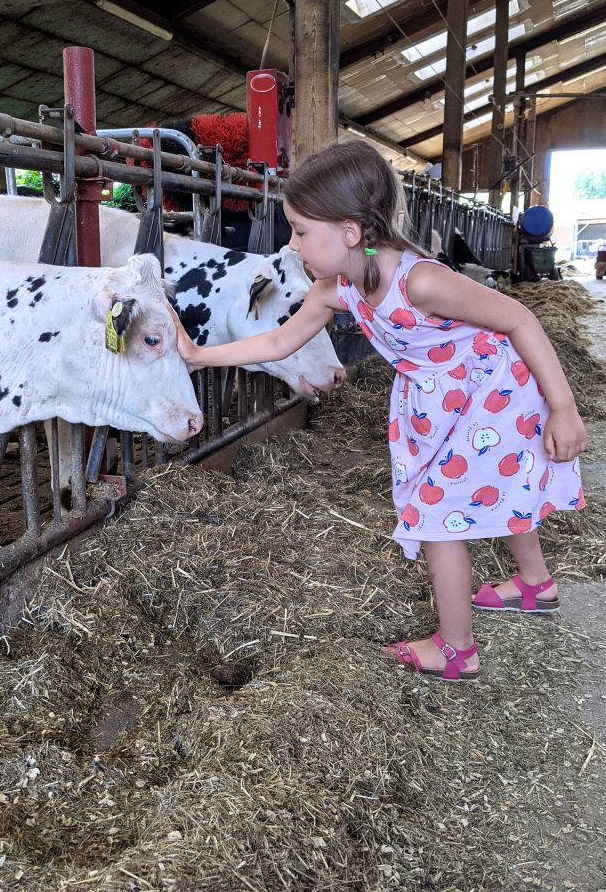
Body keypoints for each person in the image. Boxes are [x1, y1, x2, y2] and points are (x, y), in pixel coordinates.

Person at [172, 140, 588, 682]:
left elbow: (519, 319)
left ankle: (456, 650)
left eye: (299, 230)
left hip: (492, 397)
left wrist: (564, 407)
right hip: (440, 401)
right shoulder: (338, 288)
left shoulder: (421, 281)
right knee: (497, 488)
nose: (292, 244)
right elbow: (277, 344)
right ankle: (535, 585)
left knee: (438, 517)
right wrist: (198, 355)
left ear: (349, 232)